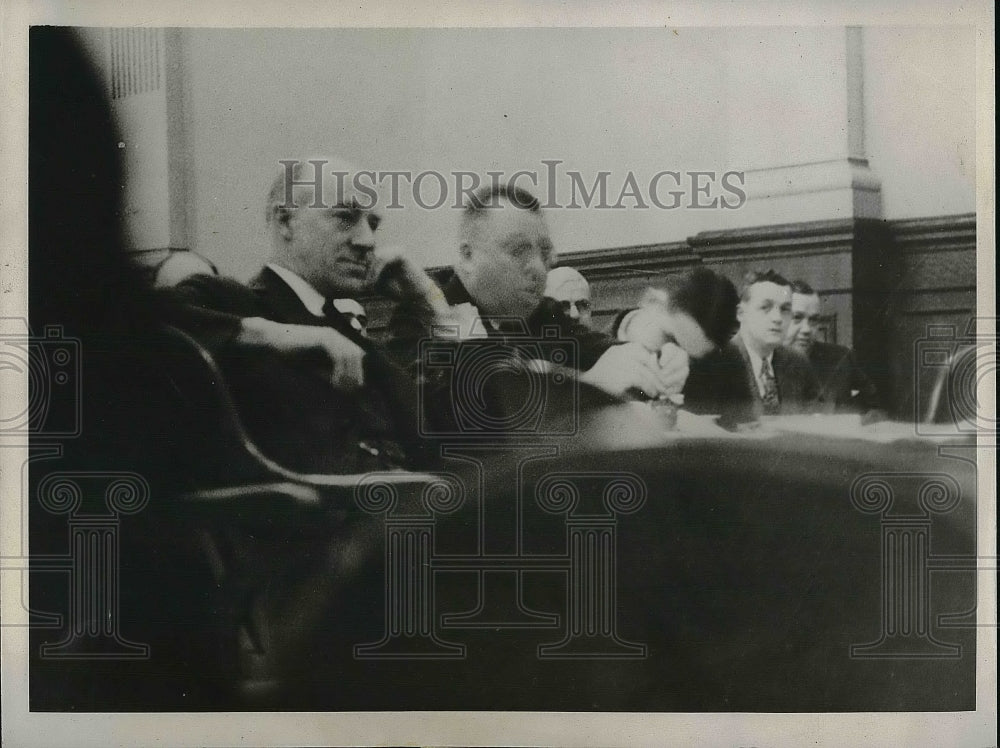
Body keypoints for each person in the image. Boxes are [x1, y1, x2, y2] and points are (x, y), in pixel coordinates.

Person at [165, 157, 444, 473]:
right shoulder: (231, 301)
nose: (368, 240)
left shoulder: (355, 338)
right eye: (345, 217)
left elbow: (440, 444)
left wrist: (432, 303)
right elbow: (138, 323)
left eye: (373, 224)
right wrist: (276, 334)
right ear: (285, 222)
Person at [683, 269, 818, 427]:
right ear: (741, 313)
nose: (777, 318)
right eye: (765, 307)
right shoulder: (711, 363)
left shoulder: (798, 363)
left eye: (785, 309)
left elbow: (813, 425)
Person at [785, 280, 882, 418]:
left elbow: (874, 409)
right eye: (796, 317)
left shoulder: (841, 359)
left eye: (813, 320)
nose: (806, 329)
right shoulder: (763, 366)